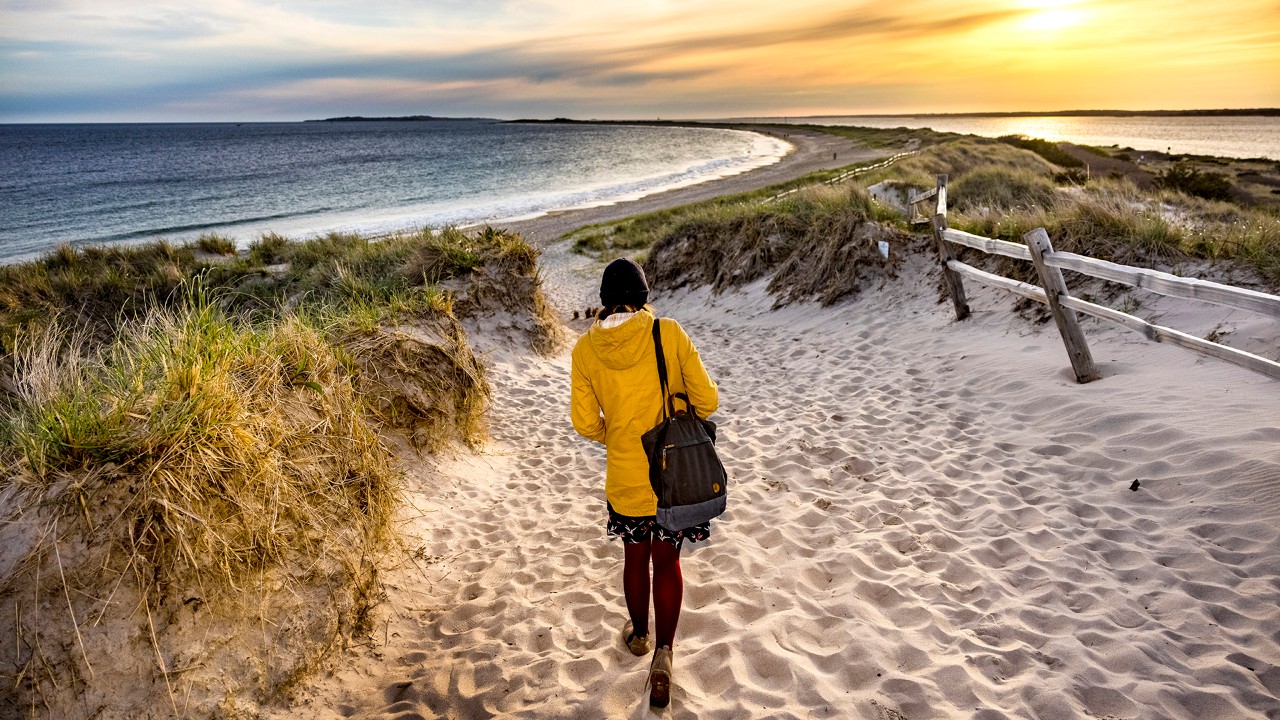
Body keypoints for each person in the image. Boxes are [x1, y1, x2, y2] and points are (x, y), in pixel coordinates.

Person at [570, 258, 720, 710]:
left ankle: (638, 635)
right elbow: (708, 401)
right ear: (643, 295)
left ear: (603, 300)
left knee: (634, 557)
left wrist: (614, 434)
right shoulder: (668, 333)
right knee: (667, 562)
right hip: (671, 476)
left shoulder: (584, 350)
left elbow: (582, 423)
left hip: (625, 476)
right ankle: (664, 656)